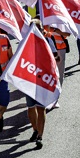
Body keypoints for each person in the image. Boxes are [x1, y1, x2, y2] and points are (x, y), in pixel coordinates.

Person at [25, 19, 53, 149]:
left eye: (39, 28)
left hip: (42, 81)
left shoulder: (47, 42)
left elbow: (56, 58)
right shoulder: (25, 43)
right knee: (31, 108)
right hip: (30, 80)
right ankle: (35, 130)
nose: (37, 31)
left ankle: (40, 136)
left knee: (41, 108)